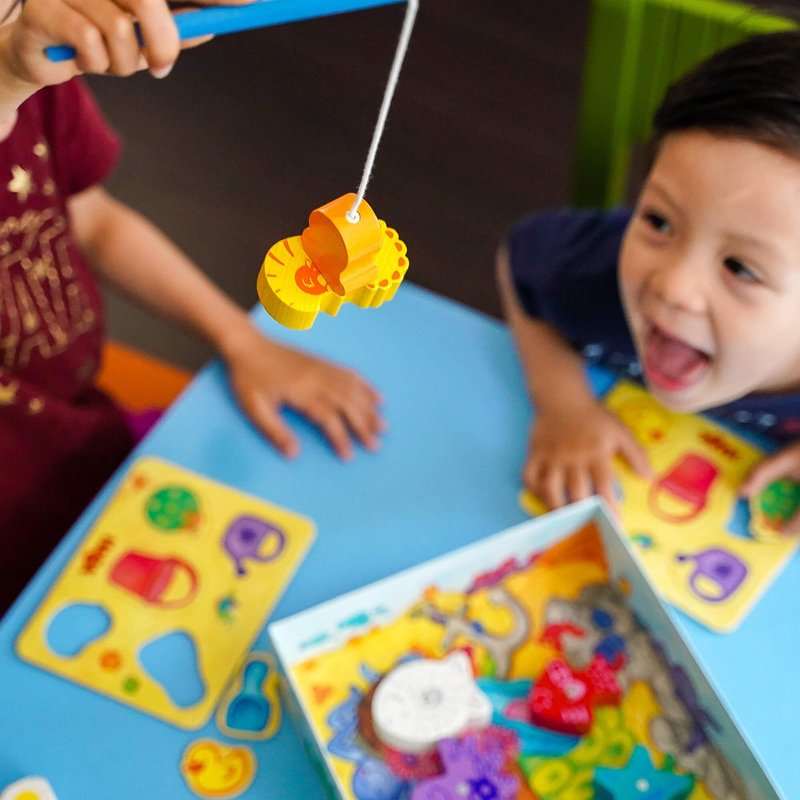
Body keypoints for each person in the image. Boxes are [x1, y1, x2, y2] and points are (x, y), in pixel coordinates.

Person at [0, 0, 386, 610]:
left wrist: (242, 340)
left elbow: (94, 221)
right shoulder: (17, 62)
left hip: (75, 429)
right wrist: (7, 78)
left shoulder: (30, 58)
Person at [497, 29, 800, 533]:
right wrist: (564, 404)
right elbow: (520, 260)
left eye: (741, 268)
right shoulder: (594, 273)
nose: (672, 286)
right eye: (659, 220)